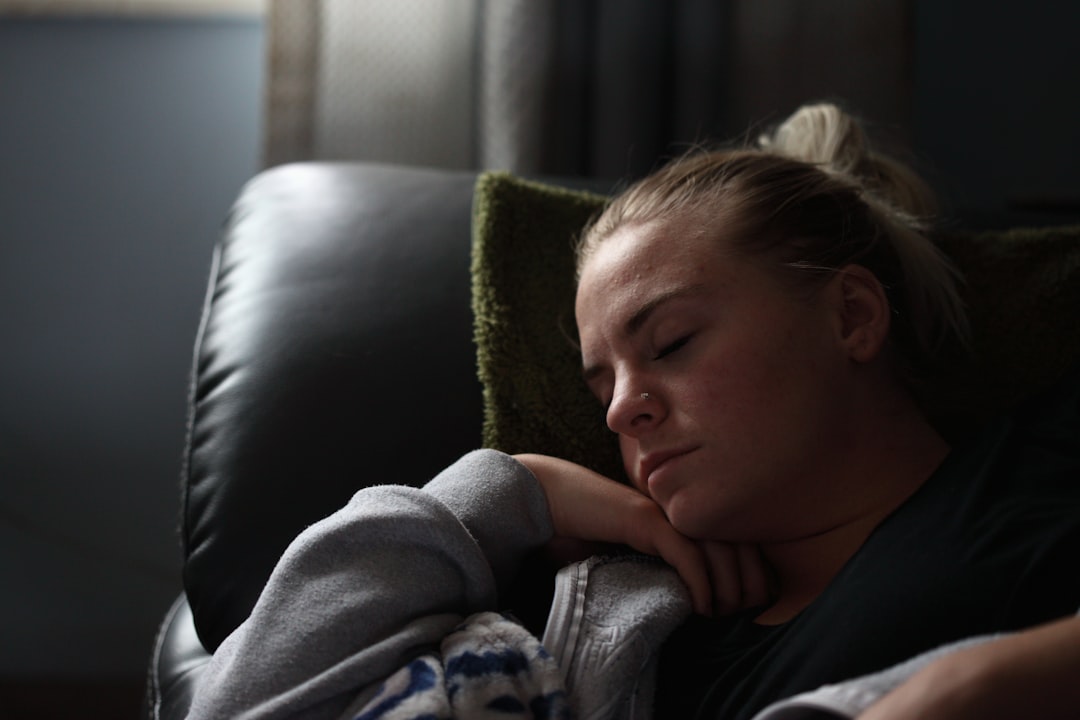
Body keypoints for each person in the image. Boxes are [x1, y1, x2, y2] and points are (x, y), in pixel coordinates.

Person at [185, 104, 1080, 720]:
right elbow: (234, 704)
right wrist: (513, 490)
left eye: (673, 343)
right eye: (599, 383)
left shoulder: (1037, 471)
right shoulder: (625, 616)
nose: (622, 411)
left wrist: (970, 690)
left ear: (851, 316)